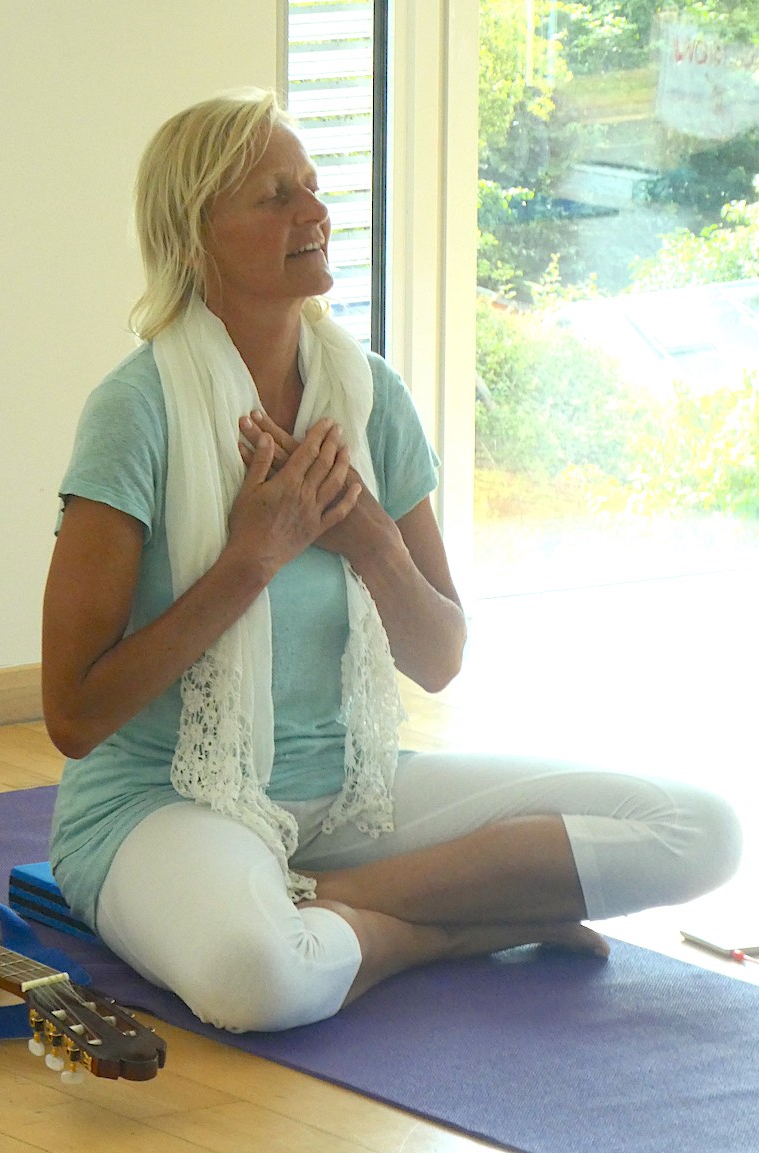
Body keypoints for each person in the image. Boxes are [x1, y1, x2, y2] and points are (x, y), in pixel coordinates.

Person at [41, 88, 742, 1033]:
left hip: (353, 790)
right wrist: (253, 558)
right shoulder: (136, 411)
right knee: (259, 975)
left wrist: (366, 533)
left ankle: (337, 894)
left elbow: (440, 657)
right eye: (274, 196)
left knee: (700, 828)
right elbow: (74, 715)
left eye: (314, 188)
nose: (314, 214)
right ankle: (448, 931)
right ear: (194, 234)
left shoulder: (369, 398)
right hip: (160, 803)